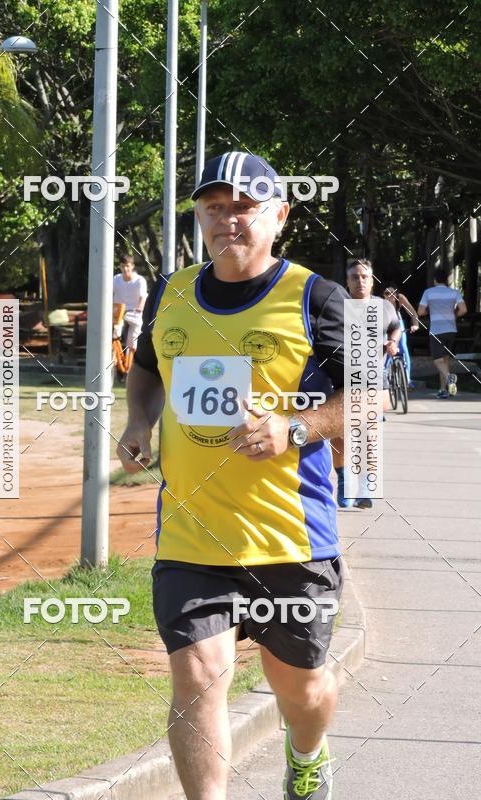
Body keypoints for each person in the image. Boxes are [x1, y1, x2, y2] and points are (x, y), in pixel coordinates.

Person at [117, 151, 349, 800]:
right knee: (197, 678)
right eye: (214, 208)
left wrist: (292, 429)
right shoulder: (170, 292)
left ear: (279, 216)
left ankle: (307, 753)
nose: (228, 220)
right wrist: (140, 422)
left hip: (290, 539)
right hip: (193, 539)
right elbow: (145, 369)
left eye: (245, 207)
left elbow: (369, 398)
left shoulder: (315, 298)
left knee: (300, 689)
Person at [332, 258, 401, 510]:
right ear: (347, 282)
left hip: (373, 378)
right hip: (340, 378)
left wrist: (392, 342)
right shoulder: (338, 306)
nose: (360, 281)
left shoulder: (383, 307)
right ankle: (343, 480)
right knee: (339, 434)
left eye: (364, 276)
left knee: (369, 435)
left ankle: (363, 488)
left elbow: (395, 328)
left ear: (372, 280)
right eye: (355, 277)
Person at [417, 268, 467, 398]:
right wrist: (454, 315)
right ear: (447, 280)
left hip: (437, 330)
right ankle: (443, 390)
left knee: (437, 360)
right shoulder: (454, 292)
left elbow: (420, 312)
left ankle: (450, 378)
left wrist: (432, 310)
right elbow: (463, 309)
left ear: (435, 280)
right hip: (451, 330)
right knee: (444, 361)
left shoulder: (428, 292)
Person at [112, 254, 148, 362]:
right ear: (120, 267)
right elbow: (108, 293)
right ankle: (114, 356)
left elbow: (143, 296)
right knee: (115, 332)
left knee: (133, 338)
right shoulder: (116, 279)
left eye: (127, 266)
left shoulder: (139, 280)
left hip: (134, 312)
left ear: (132, 266)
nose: (125, 269)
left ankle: (131, 360)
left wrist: (140, 307)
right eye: (123, 266)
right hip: (119, 312)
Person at [383, 282, 419, 387]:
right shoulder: (379, 301)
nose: (390, 296)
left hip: (398, 322)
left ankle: (407, 378)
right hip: (385, 323)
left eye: (393, 293)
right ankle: (384, 372)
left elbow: (413, 313)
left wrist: (415, 325)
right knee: (387, 347)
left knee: (403, 346)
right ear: (383, 294)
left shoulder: (400, 298)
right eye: (386, 293)